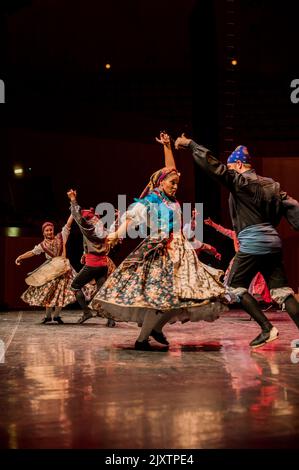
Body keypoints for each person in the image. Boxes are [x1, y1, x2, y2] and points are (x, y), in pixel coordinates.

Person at [90, 132, 227, 350]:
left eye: (177, 183)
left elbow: (170, 170)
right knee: (160, 297)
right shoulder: (153, 199)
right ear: (161, 183)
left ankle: (155, 329)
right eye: (172, 183)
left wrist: (167, 146)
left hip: (179, 251)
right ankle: (142, 339)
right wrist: (116, 234)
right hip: (161, 251)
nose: (175, 186)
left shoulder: (169, 198)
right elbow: (133, 216)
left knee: (182, 297)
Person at [175, 136, 299, 348]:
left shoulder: (240, 182)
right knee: (282, 291)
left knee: (233, 287)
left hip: (253, 242)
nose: (230, 170)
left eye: (232, 167)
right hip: (273, 243)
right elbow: (294, 206)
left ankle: (267, 329)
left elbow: (214, 167)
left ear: (239, 165)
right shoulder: (272, 185)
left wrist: (191, 145)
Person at [67, 190, 116, 327]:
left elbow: (78, 217)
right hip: (103, 264)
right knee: (101, 292)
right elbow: (113, 233)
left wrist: (73, 199)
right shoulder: (102, 228)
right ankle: (110, 318)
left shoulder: (89, 228)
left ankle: (86, 312)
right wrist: (117, 219)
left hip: (93, 264)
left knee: (75, 286)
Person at [15, 216, 75, 323]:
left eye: (50, 230)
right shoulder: (42, 245)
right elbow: (32, 252)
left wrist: (73, 210)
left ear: (53, 230)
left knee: (60, 294)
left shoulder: (61, 237)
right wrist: (20, 257)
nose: (49, 232)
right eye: (47, 230)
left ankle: (56, 315)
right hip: (50, 272)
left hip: (63, 271)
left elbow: (68, 224)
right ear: (43, 233)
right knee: (49, 293)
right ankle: (47, 316)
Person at [204, 217, 272, 305]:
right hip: (238, 259)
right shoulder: (234, 234)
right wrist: (213, 224)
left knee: (254, 280)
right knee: (232, 280)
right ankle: (233, 298)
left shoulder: (249, 235)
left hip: (248, 259)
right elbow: (224, 230)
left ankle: (254, 299)